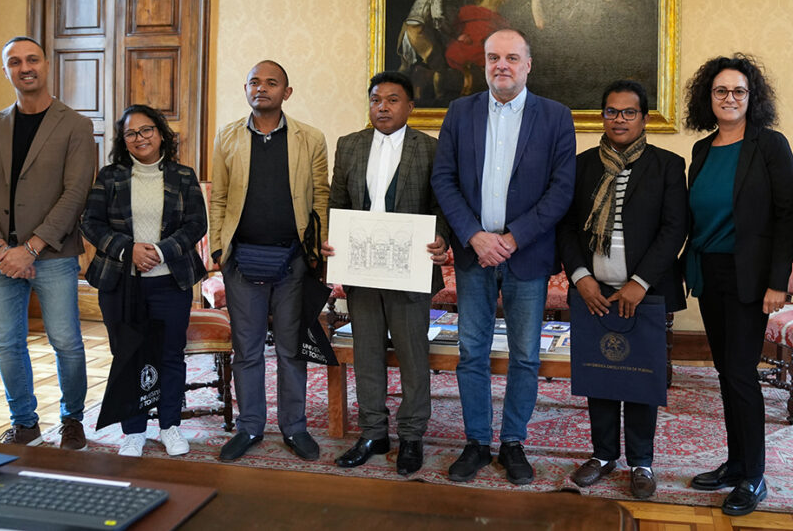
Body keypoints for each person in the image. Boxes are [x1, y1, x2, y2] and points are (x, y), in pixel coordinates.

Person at [431, 28, 575, 485]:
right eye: (494, 57)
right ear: (485, 63)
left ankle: (513, 442)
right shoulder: (460, 112)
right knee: (471, 353)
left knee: (525, 356)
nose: (502, 66)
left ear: (528, 64)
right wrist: (474, 235)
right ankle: (476, 442)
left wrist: (512, 238)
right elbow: (444, 179)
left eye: (512, 57)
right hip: (475, 256)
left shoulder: (555, 117)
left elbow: (561, 190)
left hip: (526, 255)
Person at [0, 36, 95, 449]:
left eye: (32, 59)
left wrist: (31, 248)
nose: (25, 67)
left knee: (66, 341)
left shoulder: (75, 125)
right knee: (5, 342)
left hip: (52, 255)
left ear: (46, 64)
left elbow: (75, 194)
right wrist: (1, 249)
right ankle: (24, 422)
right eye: (15, 62)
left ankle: (72, 420)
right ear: (6, 71)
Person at [556, 79, 687, 498]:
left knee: (641, 378)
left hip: (643, 292)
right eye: (612, 111)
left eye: (629, 112)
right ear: (602, 116)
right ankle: (603, 454)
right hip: (593, 290)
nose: (620, 119)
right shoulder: (580, 166)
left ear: (644, 119)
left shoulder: (667, 165)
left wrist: (639, 283)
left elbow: (674, 229)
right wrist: (581, 278)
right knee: (601, 375)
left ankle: (642, 462)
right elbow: (565, 227)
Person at [681, 53, 793, 515]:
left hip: (751, 277)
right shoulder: (702, 150)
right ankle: (734, 463)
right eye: (721, 91)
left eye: (739, 91)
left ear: (753, 98)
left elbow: (787, 216)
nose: (730, 98)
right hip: (711, 273)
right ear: (707, 98)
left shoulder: (769, 146)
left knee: (742, 374)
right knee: (727, 372)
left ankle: (754, 476)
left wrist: (777, 283)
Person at [322, 71, 450, 476]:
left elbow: (443, 203)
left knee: (413, 356)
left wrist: (442, 238)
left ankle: (412, 436)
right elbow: (337, 201)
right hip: (362, 267)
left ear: (410, 107)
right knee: (367, 354)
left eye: (393, 100)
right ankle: (373, 432)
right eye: (376, 99)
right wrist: (331, 240)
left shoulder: (430, 149)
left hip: (410, 269)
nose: (383, 107)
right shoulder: (350, 145)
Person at [209, 60, 330, 462]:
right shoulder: (226, 137)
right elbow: (220, 198)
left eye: (271, 83)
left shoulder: (310, 138)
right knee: (247, 350)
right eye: (254, 82)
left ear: (287, 92)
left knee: (291, 349)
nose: (262, 88)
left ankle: (294, 428)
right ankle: (249, 427)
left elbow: (320, 198)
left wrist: (319, 251)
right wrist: (218, 251)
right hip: (242, 262)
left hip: (294, 262)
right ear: (245, 90)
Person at [80, 104, 207, 457]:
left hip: (170, 281)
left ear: (161, 132)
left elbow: (197, 224)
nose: (141, 138)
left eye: (147, 129)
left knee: (170, 355)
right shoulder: (110, 177)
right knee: (127, 355)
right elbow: (91, 223)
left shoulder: (183, 175)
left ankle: (170, 426)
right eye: (132, 133)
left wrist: (162, 251)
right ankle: (133, 430)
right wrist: (128, 250)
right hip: (121, 283)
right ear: (124, 141)